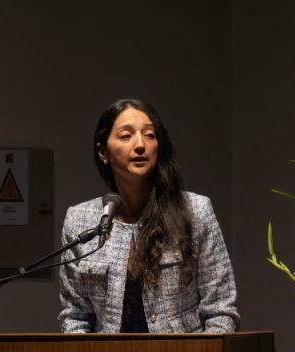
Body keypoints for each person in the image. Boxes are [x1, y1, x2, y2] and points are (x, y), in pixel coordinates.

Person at [59, 98, 239, 333]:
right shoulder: (80, 220)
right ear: (103, 152)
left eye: (149, 135)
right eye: (126, 136)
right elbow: (75, 317)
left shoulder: (196, 210)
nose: (140, 145)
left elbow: (221, 312)